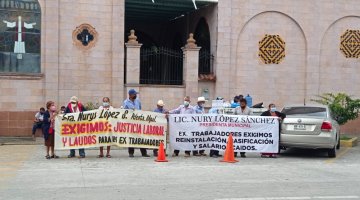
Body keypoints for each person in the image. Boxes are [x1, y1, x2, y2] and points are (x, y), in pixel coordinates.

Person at [123, 89, 150, 157]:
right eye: (134, 94)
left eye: (135, 94)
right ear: (130, 95)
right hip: (130, 122)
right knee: (131, 137)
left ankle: (144, 153)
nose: (135, 95)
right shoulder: (126, 102)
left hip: (139, 122)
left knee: (141, 137)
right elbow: (124, 112)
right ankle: (131, 153)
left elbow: (140, 109)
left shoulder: (138, 101)